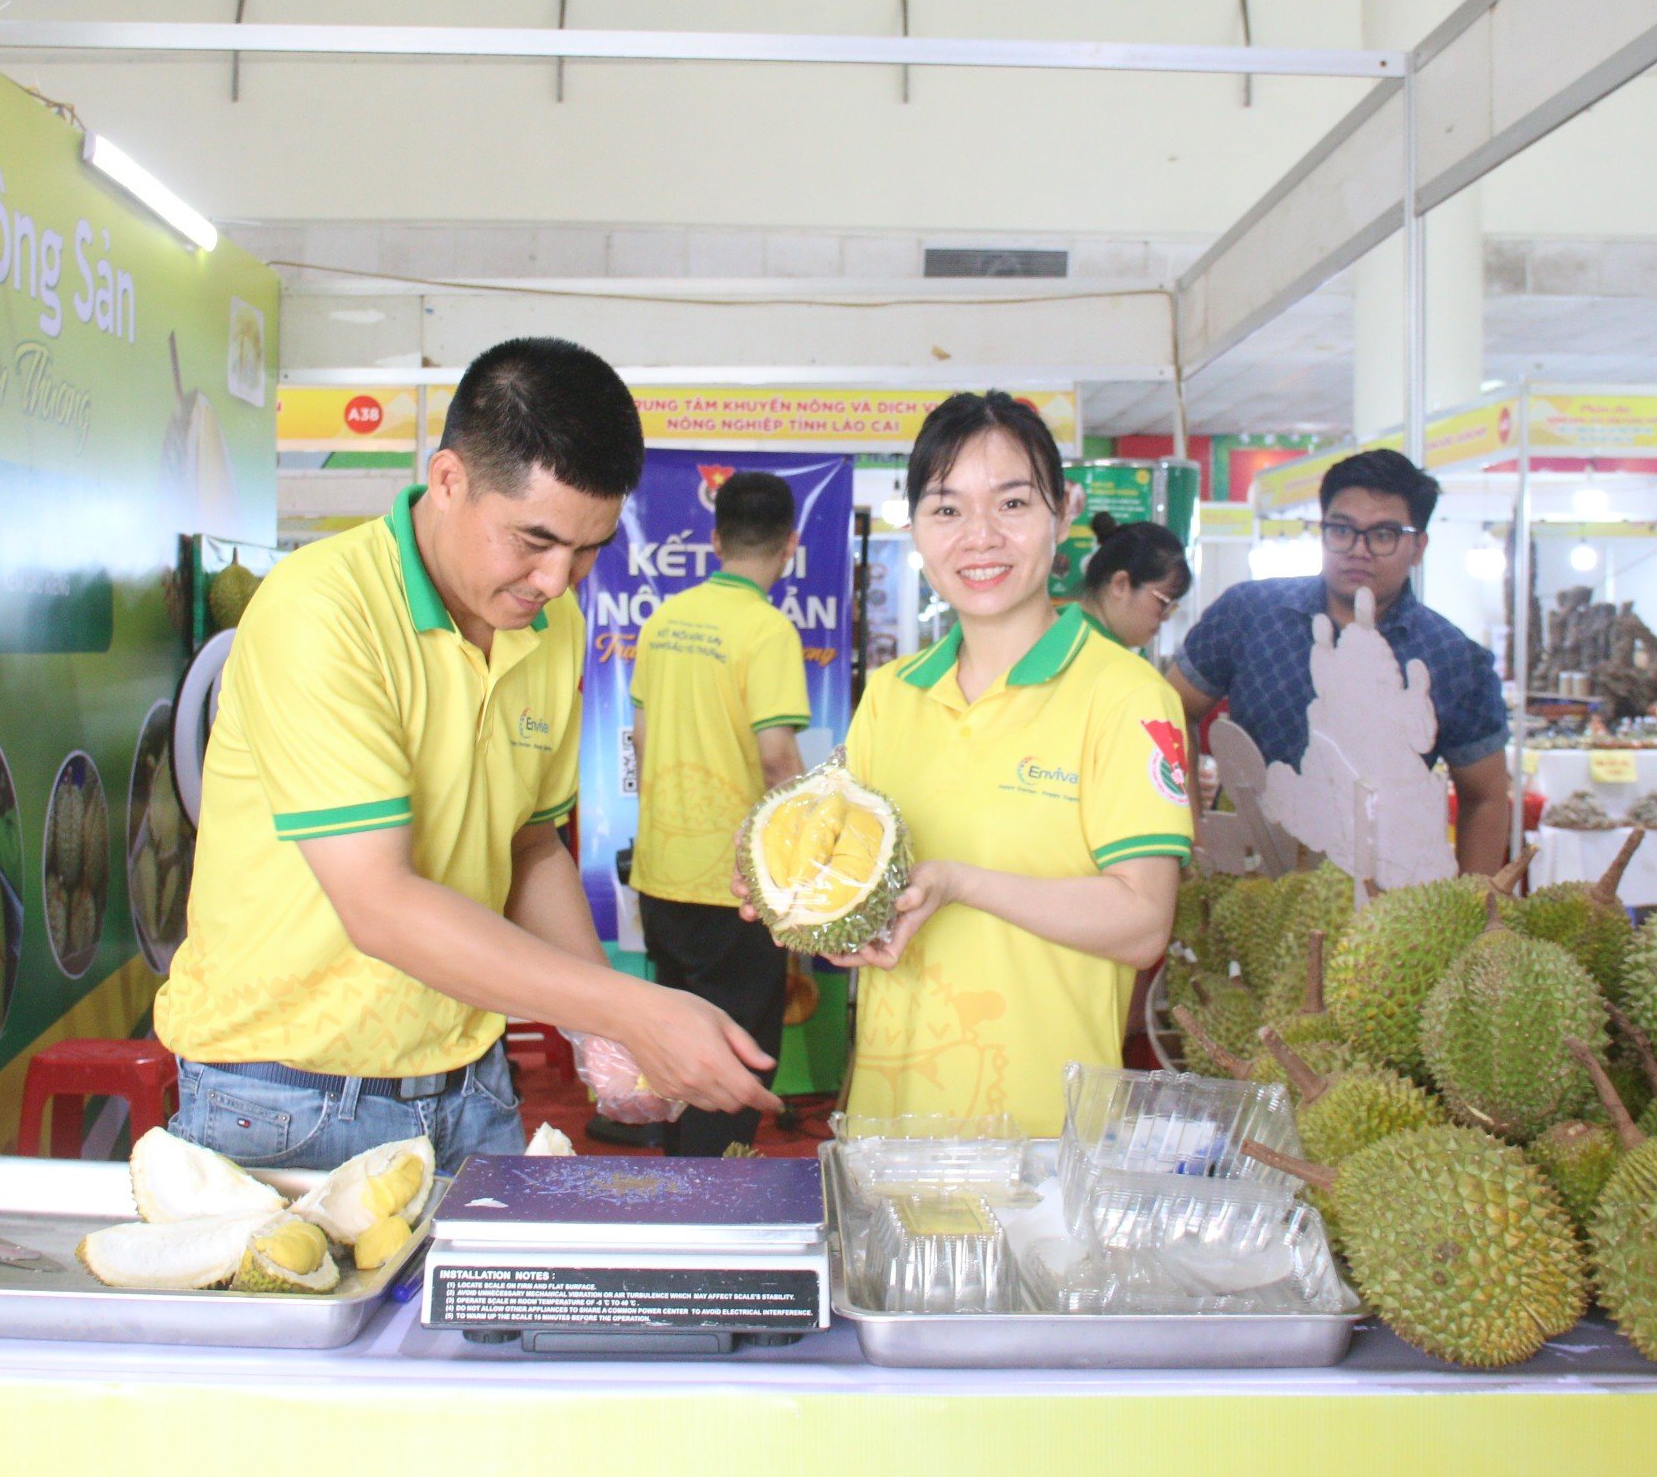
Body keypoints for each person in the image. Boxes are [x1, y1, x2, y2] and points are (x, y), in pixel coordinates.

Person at [156, 337, 779, 1170]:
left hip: (469, 1085)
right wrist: (632, 1008)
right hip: (284, 1093)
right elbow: (378, 901)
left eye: (588, 550)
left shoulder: (548, 625)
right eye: (533, 540)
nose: (557, 579)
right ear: (448, 481)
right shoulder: (321, 610)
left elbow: (527, 843)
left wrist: (599, 1026)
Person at [763, 392, 1191, 1135]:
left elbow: (1143, 921)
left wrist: (962, 883)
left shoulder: (1127, 696)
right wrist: (801, 900)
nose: (980, 538)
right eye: (947, 509)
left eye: (1013, 502)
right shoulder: (893, 695)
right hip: (887, 1131)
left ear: (1063, 513)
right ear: (917, 530)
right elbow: (861, 908)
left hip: (1042, 1143)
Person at [1166, 446, 1512, 875]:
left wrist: (1474, 907)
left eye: (1383, 534)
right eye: (1342, 530)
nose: (1358, 550)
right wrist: (1192, 835)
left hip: (1384, 894)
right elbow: (1168, 711)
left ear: (1418, 546)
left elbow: (1487, 795)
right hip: (1249, 877)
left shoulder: (1451, 656)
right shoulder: (1250, 613)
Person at [628, 471, 811, 1156]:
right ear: (789, 544)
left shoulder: (664, 621)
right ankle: (711, 1195)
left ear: (714, 539)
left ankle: (679, 1180)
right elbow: (777, 761)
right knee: (736, 1053)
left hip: (662, 870)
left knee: (675, 1043)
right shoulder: (766, 631)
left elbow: (641, 743)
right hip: (738, 885)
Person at [1076, 513, 1193, 653]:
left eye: (1172, 607)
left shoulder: (1067, 628)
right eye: (1163, 602)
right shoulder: (1099, 655)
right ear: (1121, 585)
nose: (1166, 617)